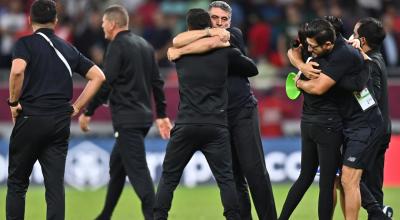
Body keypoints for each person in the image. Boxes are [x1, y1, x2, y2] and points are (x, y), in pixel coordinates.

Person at [167, 1, 277, 219]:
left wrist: (179, 51)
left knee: (255, 172)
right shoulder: (205, 36)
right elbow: (175, 42)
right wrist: (177, 48)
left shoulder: (232, 35)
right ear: (207, 19)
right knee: (234, 177)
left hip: (242, 111)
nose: (219, 23)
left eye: (223, 19)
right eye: (214, 18)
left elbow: (183, 46)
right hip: (218, 118)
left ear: (230, 21)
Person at [6, 0, 105, 219]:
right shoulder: (68, 48)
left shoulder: (25, 44)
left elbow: (17, 70)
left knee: (17, 184)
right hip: (59, 122)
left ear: (29, 20)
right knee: (54, 187)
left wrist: (13, 103)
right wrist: (77, 107)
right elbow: (98, 76)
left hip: (30, 117)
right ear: (55, 21)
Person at [78, 5, 172, 220]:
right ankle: (104, 216)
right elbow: (157, 83)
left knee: (139, 175)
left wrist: (88, 111)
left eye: (104, 23)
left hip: (127, 119)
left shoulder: (117, 46)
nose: (102, 27)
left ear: (112, 24)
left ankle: (156, 216)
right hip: (142, 117)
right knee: (117, 167)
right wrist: (161, 114)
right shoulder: (145, 46)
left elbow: (107, 81)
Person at [292, 18, 384, 220]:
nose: (310, 48)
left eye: (315, 43)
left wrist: (299, 82)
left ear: (330, 40)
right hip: (346, 125)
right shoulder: (329, 52)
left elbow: (318, 88)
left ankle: (377, 212)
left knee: (349, 179)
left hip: (364, 125)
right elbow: (293, 50)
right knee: (339, 180)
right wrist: (301, 64)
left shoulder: (345, 55)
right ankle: (378, 213)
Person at [350, 17, 393, 219]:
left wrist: (354, 89)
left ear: (363, 40)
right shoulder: (378, 58)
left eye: (354, 33)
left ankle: (378, 211)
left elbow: (370, 101)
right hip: (382, 129)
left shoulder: (371, 64)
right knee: (373, 183)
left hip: (372, 131)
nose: (351, 37)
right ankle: (378, 212)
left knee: (348, 174)